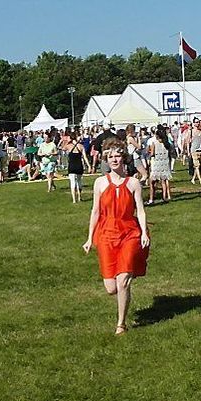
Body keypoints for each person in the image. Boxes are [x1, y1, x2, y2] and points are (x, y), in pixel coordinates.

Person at [82, 141, 150, 335]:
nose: (114, 159)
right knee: (111, 287)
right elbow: (95, 211)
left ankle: (121, 323)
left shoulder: (133, 183)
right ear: (106, 159)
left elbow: (141, 211)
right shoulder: (100, 183)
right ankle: (123, 281)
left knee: (122, 282)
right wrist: (89, 238)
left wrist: (144, 232)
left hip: (129, 233)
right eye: (110, 156)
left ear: (124, 158)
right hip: (106, 235)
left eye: (117, 156)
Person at [147, 125, 173, 204]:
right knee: (163, 181)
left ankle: (151, 199)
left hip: (156, 163)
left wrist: (149, 153)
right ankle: (164, 197)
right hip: (165, 163)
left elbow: (152, 153)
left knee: (152, 182)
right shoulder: (167, 143)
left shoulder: (154, 143)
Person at [64, 134, 89, 203]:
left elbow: (62, 148)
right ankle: (79, 197)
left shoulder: (69, 146)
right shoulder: (81, 146)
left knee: (72, 182)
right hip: (79, 165)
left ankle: (74, 200)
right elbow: (85, 157)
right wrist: (89, 166)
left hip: (71, 166)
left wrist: (67, 142)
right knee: (79, 181)